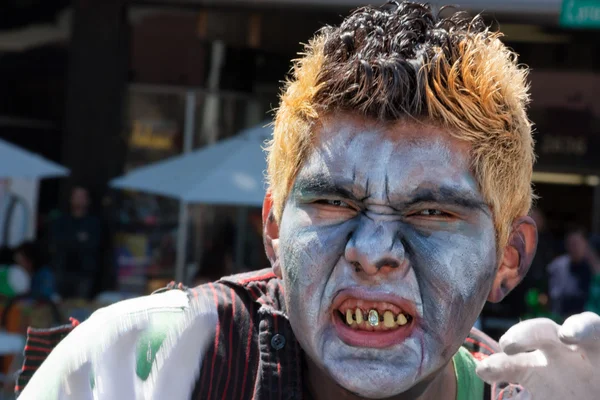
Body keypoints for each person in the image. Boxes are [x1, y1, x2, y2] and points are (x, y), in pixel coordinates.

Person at [15, 3, 600, 400]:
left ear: (509, 257)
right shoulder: (136, 373)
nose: (373, 253)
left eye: (432, 212)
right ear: (273, 227)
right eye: (335, 204)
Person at [49, 186, 101, 299]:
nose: (79, 200)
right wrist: (78, 239)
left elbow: (93, 245)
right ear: (71, 199)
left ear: (88, 200)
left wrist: (72, 240)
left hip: (84, 273)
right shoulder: (61, 221)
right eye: (77, 196)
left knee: (79, 307)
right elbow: (58, 243)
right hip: (62, 270)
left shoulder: (93, 223)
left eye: (82, 197)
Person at [547, 226, 600, 318]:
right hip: (564, 316)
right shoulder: (558, 266)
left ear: (585, 244)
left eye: (577, 243)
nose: (574, 248)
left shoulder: (592, 266)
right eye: (570, 244)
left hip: (589, 318)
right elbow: (554, 298)